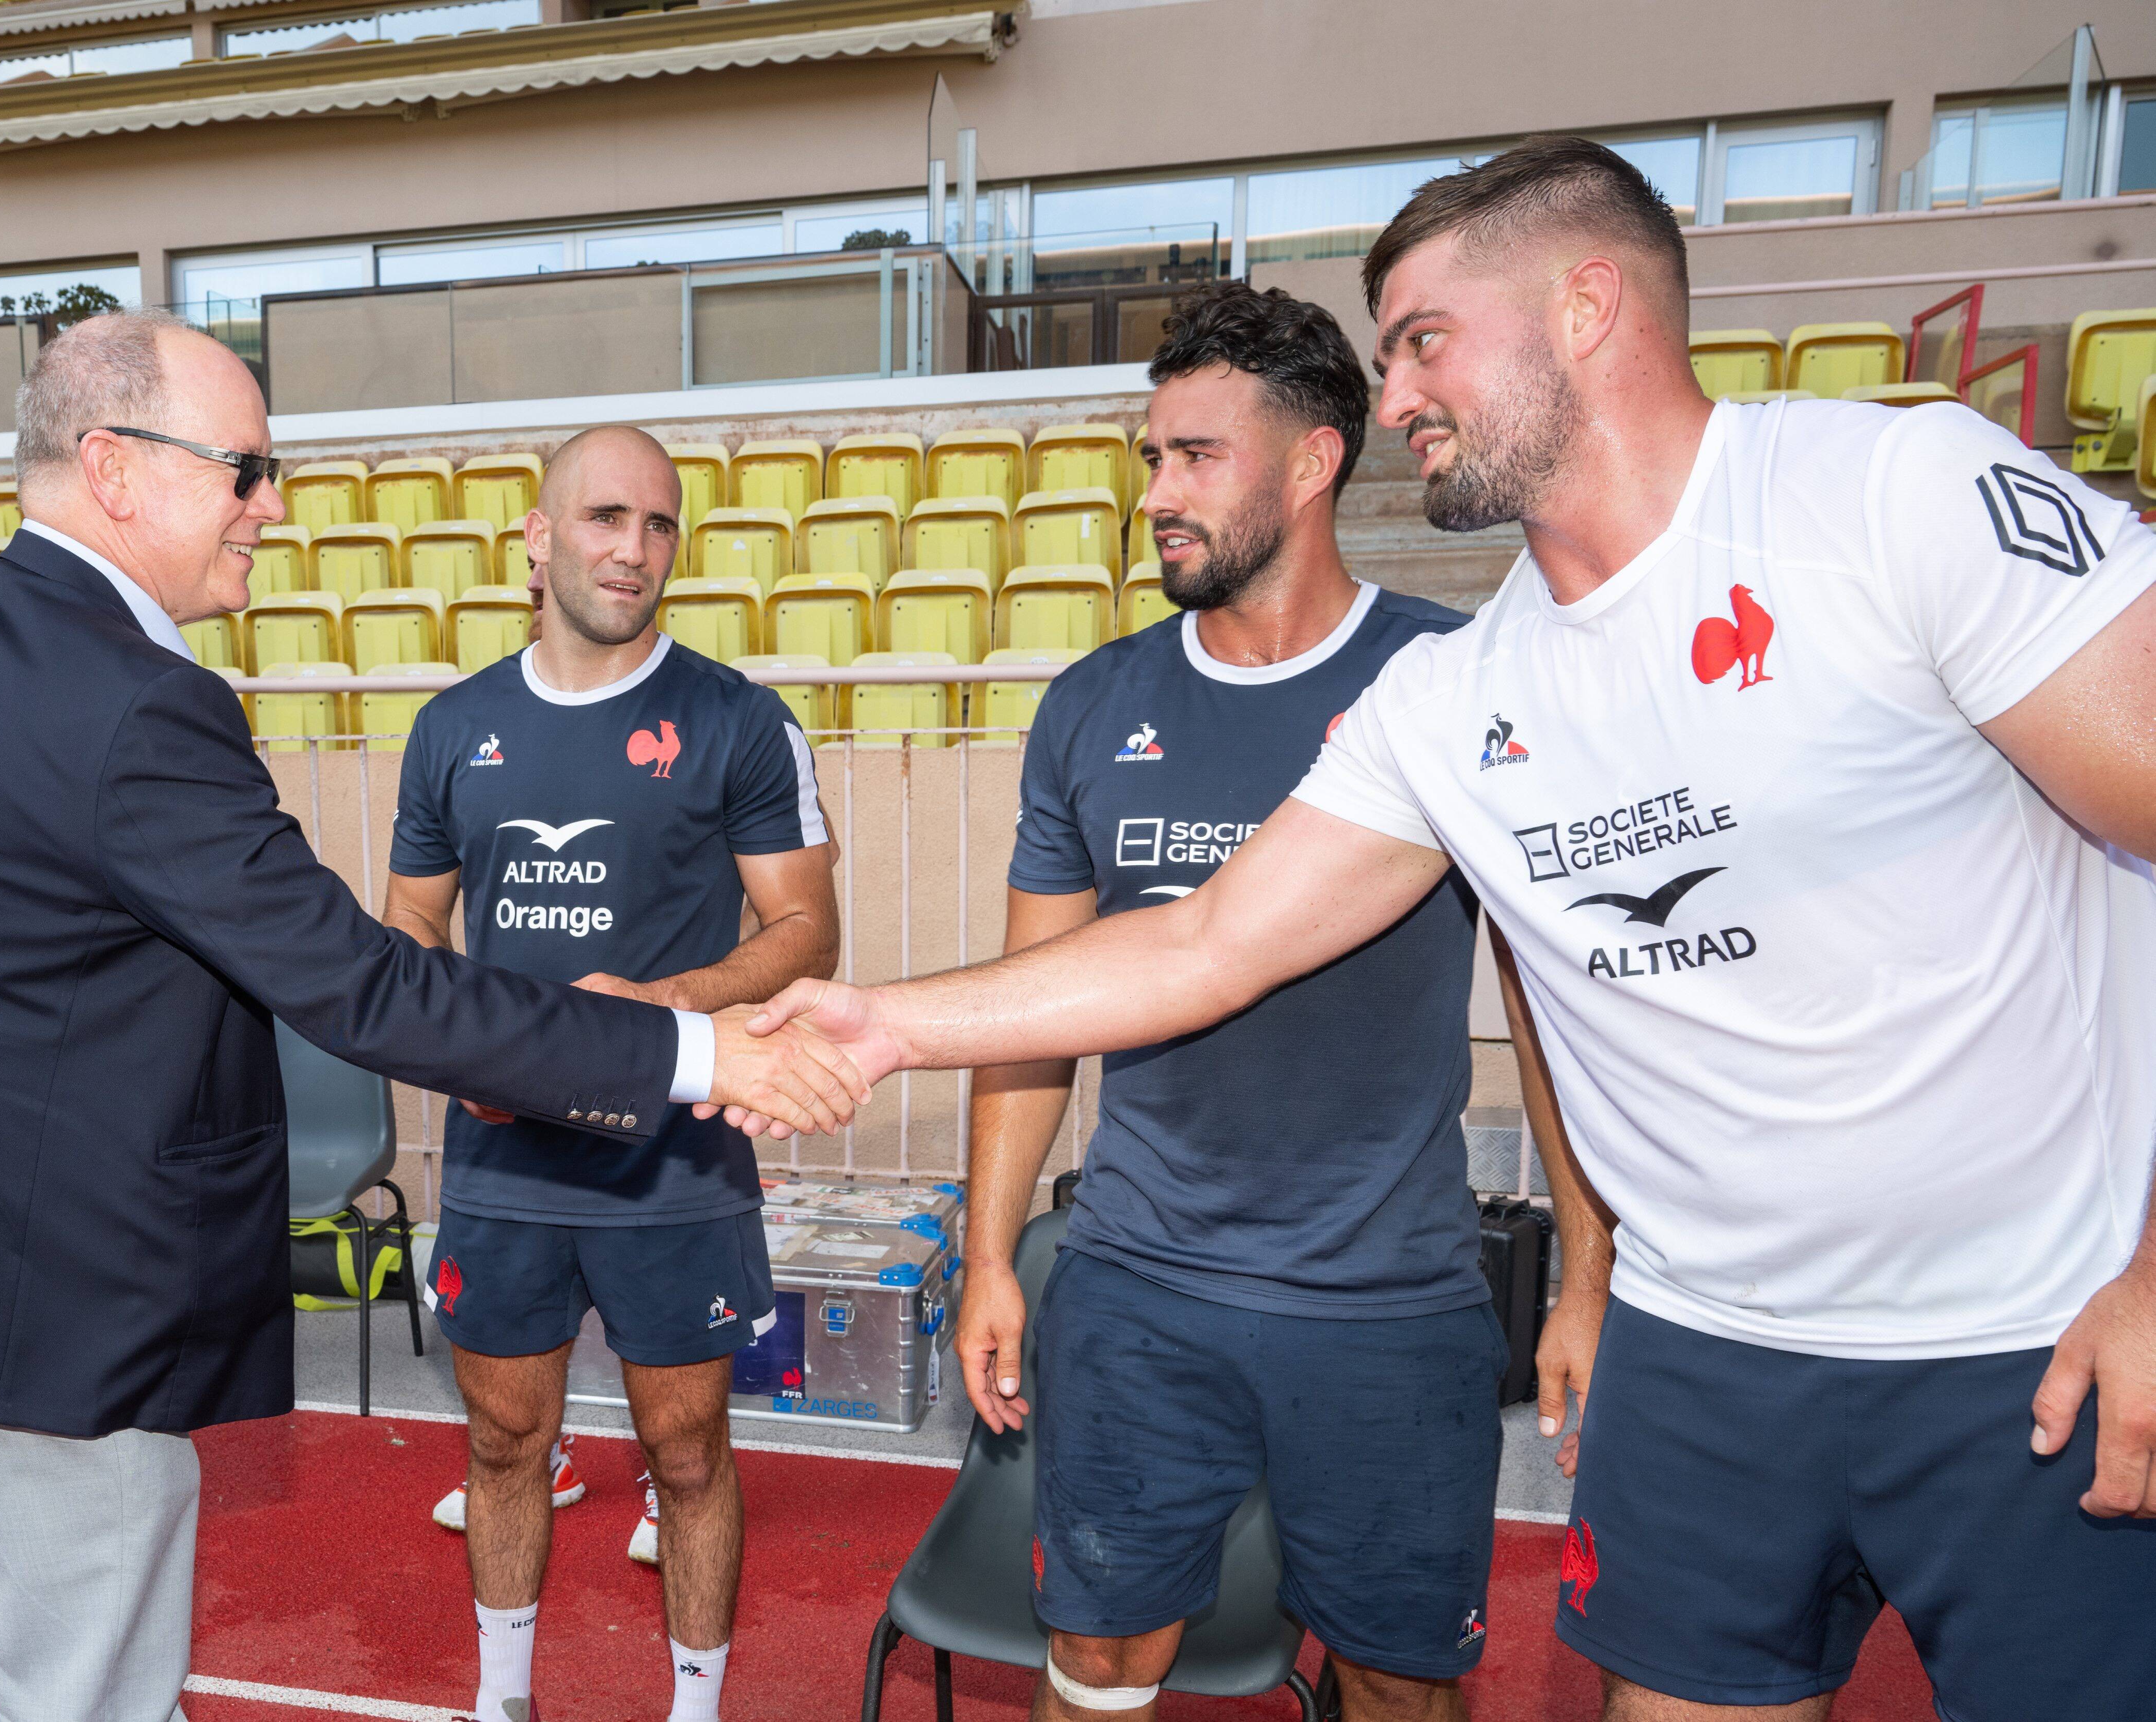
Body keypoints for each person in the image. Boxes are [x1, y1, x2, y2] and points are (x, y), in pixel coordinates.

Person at [738, 137, 2156, 1721]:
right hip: (1705, 1355)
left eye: (1422, 339)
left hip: (2026, 1333)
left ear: (1583, 306)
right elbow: (1204, 941)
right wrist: (885, 1021)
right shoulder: (1455, 695)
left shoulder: (1891, 497)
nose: (1398, 391)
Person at [0, 314, 864, 1722]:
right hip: (53, 1304)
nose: (271, 506)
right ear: (114, 467)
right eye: (246, 470)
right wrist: (700, 1048)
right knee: (94, 1685)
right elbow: (366, 978)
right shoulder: (139, 702)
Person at [958, 281, 1550, 1721]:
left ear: (1313, 459)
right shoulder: (1093, 706)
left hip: (1390, 1297)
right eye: (1152, 455)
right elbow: (1033, 1009)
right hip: (1140, 1282)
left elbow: (1550, 1005)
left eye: (1197, 455)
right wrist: (987, 1254)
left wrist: (1584, 1260)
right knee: (1099, 1658)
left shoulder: (1448, 679)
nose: (1157, 492)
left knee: (1405, 1679)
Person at [386, 425, 838, 1722]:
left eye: (657, 525)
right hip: (504, 1162)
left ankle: (692, 1708)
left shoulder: (739, 720)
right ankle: (503, 1700)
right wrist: (457, 1044)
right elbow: (410, 929)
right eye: (601, 518)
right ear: (535, 538)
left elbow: (805, 932)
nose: (631, 549)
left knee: (688, 1454)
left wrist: (655, 1010)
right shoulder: (454, 727)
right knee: (501, 1443)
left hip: (677, 1163)